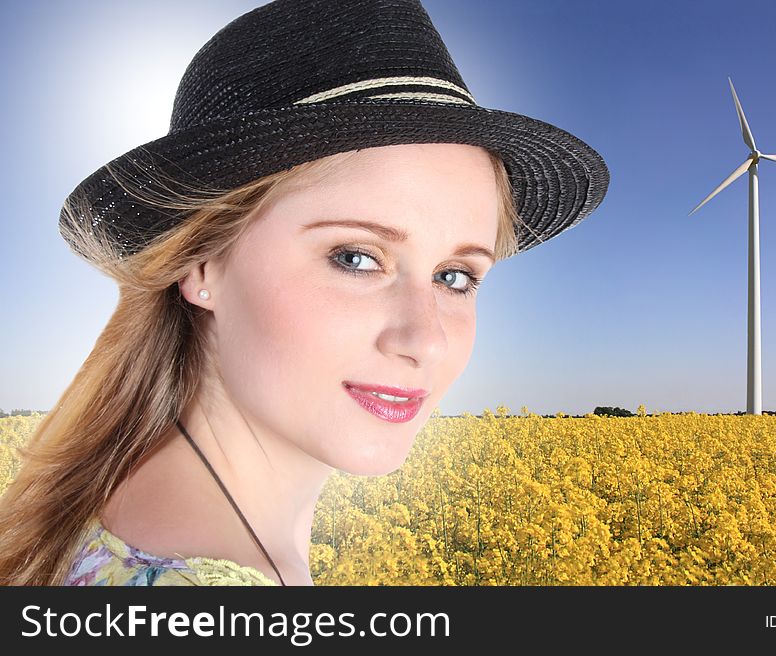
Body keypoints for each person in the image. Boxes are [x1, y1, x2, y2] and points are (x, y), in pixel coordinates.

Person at [0, 0, 609, 586]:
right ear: (202, 264)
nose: (424, 339)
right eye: (356, 258)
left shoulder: (98, 515)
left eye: (456, 277)